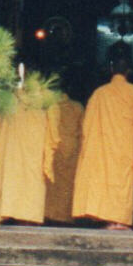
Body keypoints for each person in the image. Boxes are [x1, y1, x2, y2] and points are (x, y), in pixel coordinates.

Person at [71, 49, 133, 229]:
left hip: (103, 146)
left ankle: (108, 219)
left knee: (105, 180)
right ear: (129, 70)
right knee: (122, 182)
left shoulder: (99, 93)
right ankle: (120, 220)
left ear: (110, 69)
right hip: (125, 146)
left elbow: (87, 124)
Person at [0, 81, 61, 225]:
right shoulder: (48, 99)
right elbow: (54, 132)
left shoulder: (10, 98)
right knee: (32, 183)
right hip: (36, 149)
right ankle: (29, 219)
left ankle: (9, 213)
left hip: (11, 151)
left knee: (10, 178)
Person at [43, 95, 85, 224]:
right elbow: (83, 130)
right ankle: (66, 218)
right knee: (68, 186)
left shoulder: (48, 105)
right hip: (72, 150)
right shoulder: (78, 107)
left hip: (54, 149)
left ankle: (49, 216)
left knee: (52, 185)